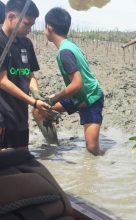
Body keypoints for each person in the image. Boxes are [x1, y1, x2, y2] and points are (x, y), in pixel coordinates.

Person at [44, 7, 104, 155]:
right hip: (77, 97)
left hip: (91, 98)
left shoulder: (64, 52)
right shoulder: (69, 45)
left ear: (48, 27)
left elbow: (77, 83)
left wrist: (55, 98)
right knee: (40, 111)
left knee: (92, 149)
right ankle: (53, 145)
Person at [0, 0, 50, 150]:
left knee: (21, 157)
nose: (29, 29)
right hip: (2, 117)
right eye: (26, 24)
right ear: (10, 17)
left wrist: (37, 96)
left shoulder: (26, 44)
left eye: (32, 25)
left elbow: (30, 75)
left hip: (20, 116)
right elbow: (2, 81)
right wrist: (33, 103)